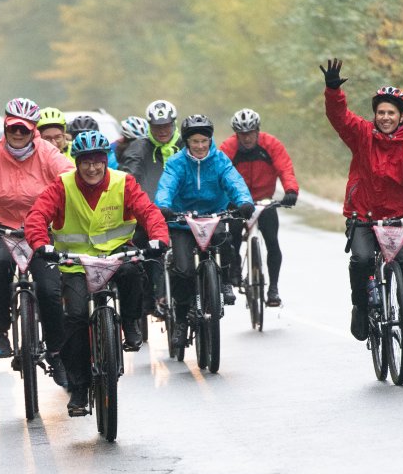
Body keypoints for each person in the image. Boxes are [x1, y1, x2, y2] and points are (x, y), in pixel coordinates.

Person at [26, 130, 169, 415]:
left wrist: (158, 238)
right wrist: (41, 245)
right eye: (86, 162)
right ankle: (79, 389)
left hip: (115, 256)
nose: (92, 168)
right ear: (77, 163)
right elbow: (37, 217)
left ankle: (130, 323)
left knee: (131, 274)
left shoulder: (123, 182)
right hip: (74, 263)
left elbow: (148, 212)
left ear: (106, 162)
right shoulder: (62, 185)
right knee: (74, 317)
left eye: (98, 162)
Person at [320, 58, 403, 350]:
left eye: (391, 113)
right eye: (380, 112)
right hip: (364, 216)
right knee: (360, 261)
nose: (385, 117)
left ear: (401, 116)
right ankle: (360, 309)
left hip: (399, 218)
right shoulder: (361, 135)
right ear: (375, 115)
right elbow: (340, 117)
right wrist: (333, 91)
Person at [0, 98, 74, 366]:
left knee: (49, 289)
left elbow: (71, 178)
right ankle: (0, 333)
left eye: (24, 129)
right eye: (13, 128)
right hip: (2, 229)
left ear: (33, 130)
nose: (18, 134)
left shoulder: (47, 153)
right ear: (5, 127)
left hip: (42, 229)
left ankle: (56, 351)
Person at [154, 115, 254, 348]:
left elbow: (234, 182)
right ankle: (180, 321)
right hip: (182, 221)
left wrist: (244, 201)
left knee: (224, 238)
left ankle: (226, 281)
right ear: (187, 142)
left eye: (204, 141)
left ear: (210, 140)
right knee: (183, 270)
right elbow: (166, 186)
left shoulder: (220, 161)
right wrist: (164, 207)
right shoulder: (176, 163)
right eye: (195, 141)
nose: (200, 146)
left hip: (212, 216)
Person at [218, 108, 299, 307]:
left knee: (272, 240)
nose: (247, 138)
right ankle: (234, 269)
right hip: (236, 201)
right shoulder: (228, 147)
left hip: (264, 199)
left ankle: (273, 288)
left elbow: (285, 167)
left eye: (251, 133)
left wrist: (290, 190)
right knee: (232, 236)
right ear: (236, 134)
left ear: (258, 131)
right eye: (242, 134)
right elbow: (218, 173)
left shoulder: (271, 144)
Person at [120, 100, 185, 318]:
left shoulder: (185, 144)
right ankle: (148, 298)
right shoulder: (139, 147)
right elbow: (130, 175)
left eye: (166, 125)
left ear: (173, 124)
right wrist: (138, 202)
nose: (162, 131)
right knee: (142, 252)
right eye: (157, 127)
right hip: (150, 211)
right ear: (150, 126)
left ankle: (210, 288)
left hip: (184, 210)